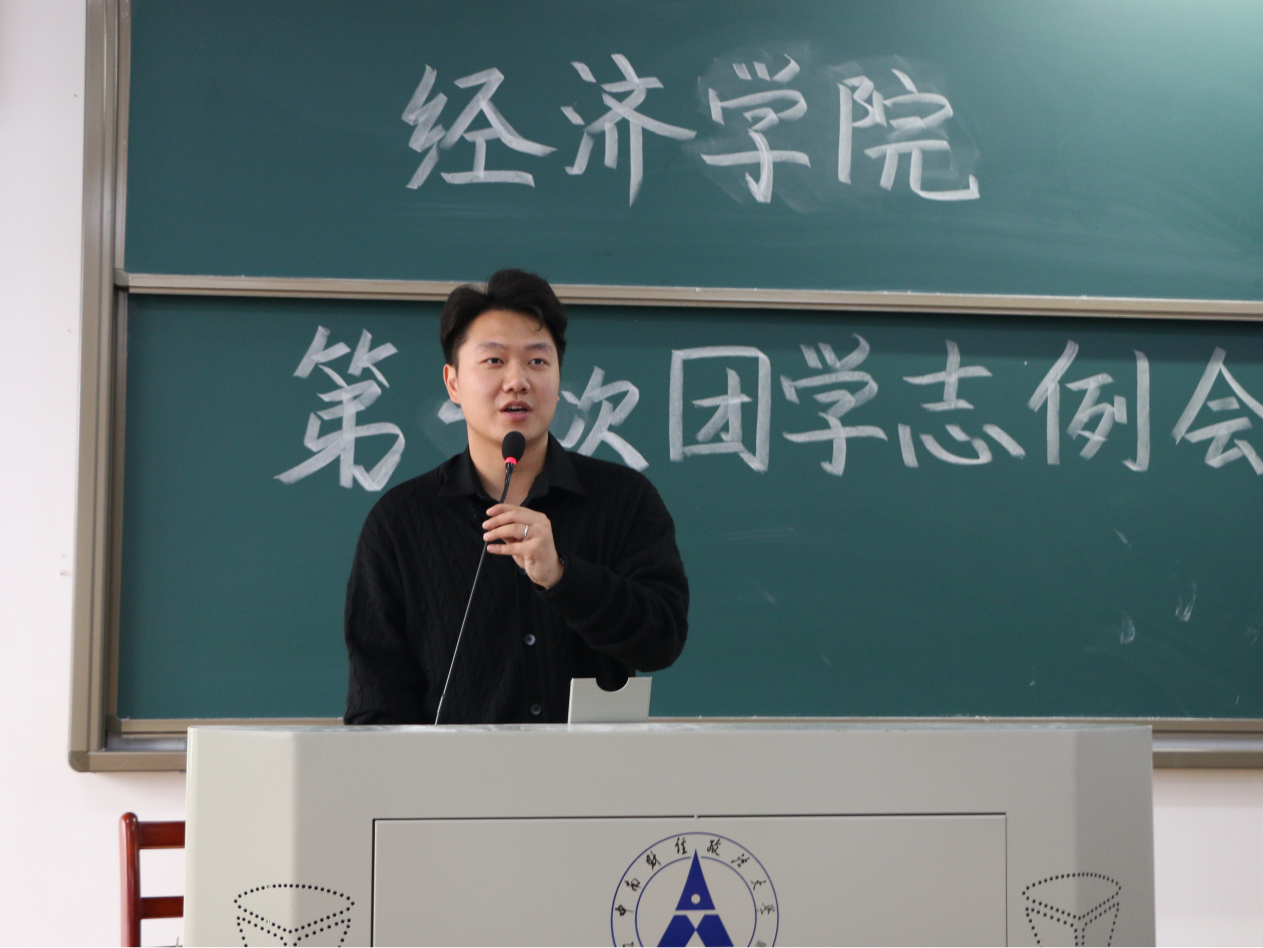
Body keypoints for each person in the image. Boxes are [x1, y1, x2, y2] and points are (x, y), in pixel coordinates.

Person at [343, 269, 688, 724]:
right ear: (453, 383)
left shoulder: (624, 499)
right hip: (458, 771)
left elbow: (662, 640)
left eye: (537, 361)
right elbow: (376, 703)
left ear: (558, 378)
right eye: (494, 360)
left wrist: (562, 576)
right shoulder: (399, 521)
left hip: (593, 769)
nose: (517, 381)